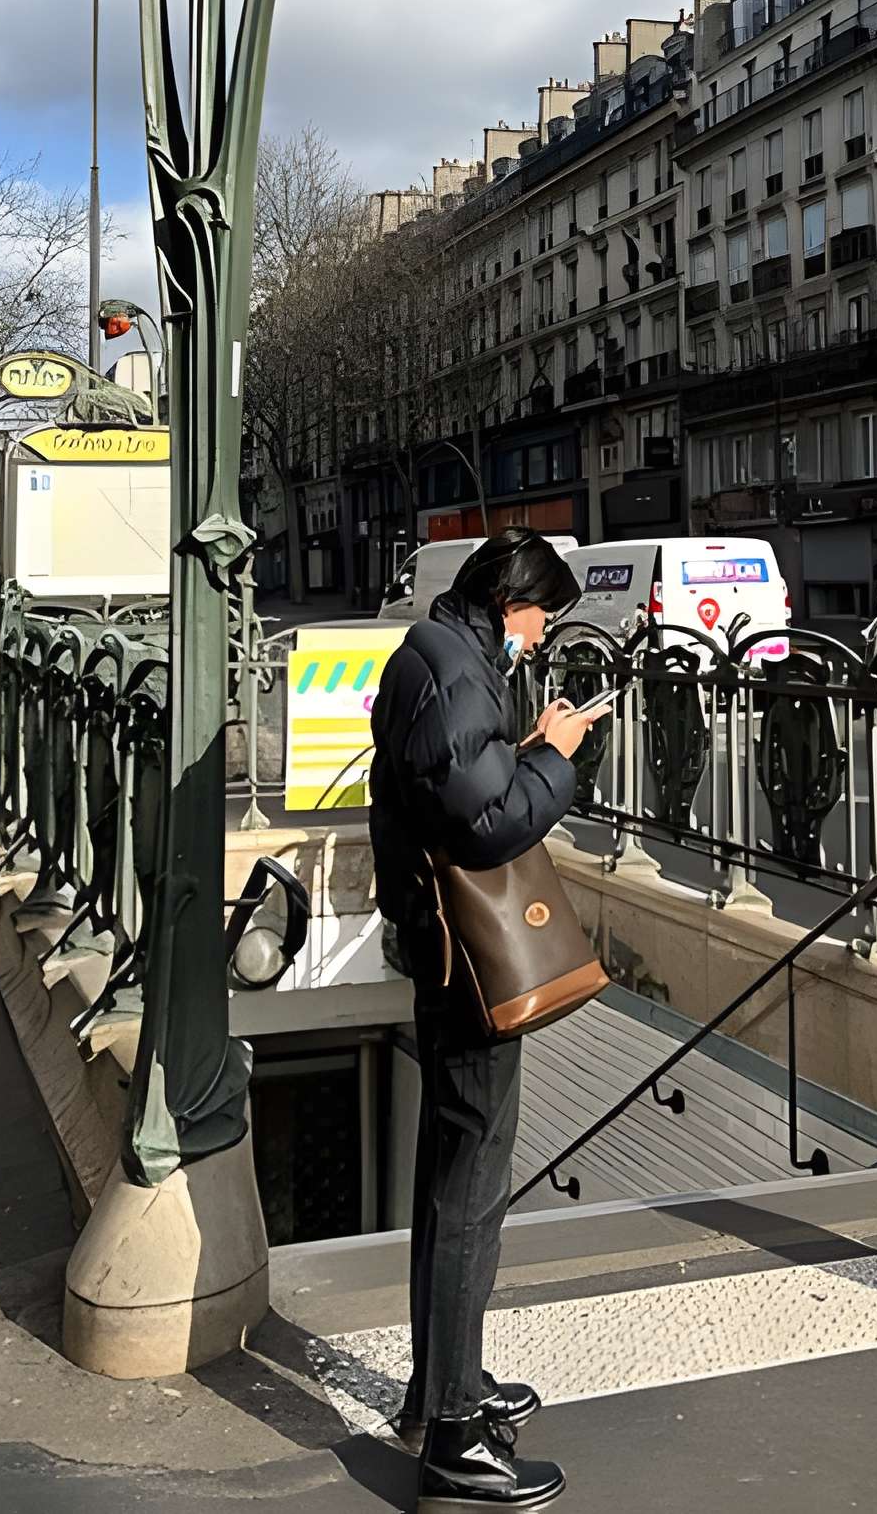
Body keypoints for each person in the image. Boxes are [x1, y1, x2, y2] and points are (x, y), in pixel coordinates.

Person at [369, 527, 602, 1511]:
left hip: (433, 941)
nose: (543, 632)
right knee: (470, 1189)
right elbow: (487, 819)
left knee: (445, 1179)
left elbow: (451, 779)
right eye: (543, 612)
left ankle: (440, 1389)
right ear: (513, 600)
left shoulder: (434, 649)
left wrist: (519, 745)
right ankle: (457, 1441)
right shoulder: (464, 673)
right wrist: (554, 759)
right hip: (469, 962)